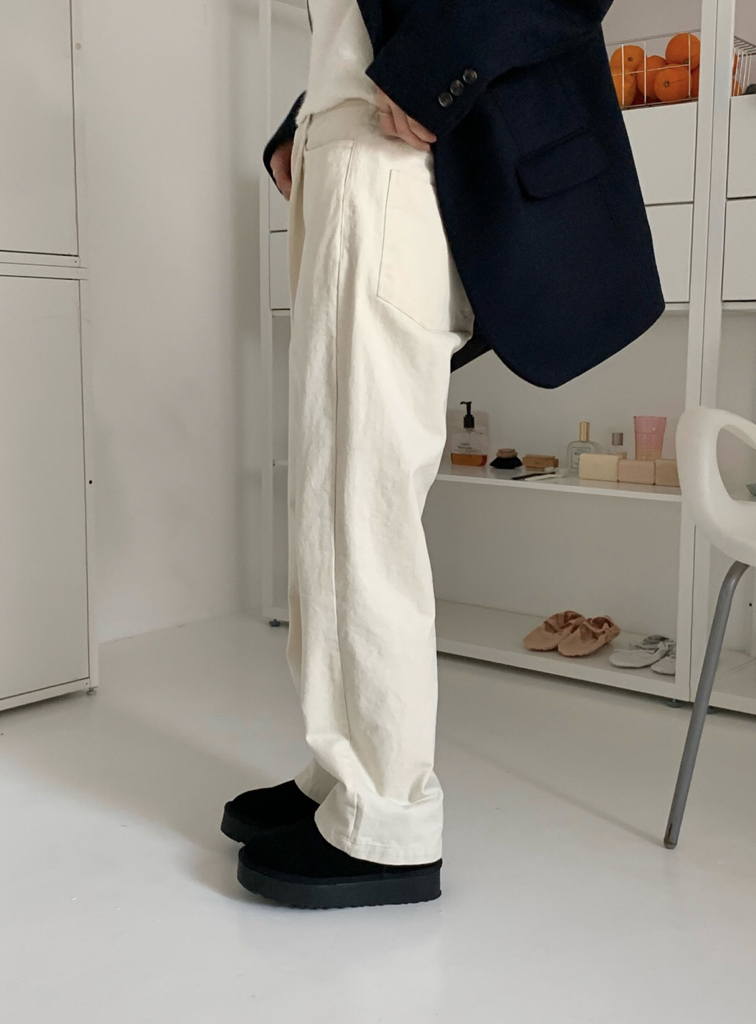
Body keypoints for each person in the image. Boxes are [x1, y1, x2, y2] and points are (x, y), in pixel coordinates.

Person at [222, 0, 665, 909]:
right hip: (345, 146)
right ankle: (342, 769)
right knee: (330, 491)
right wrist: (310, 115)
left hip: (395, 158)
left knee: (363, 495)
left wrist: (427, 73)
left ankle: (388, 818)